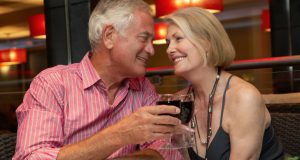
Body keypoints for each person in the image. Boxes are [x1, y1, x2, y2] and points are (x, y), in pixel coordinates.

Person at [13, 0, 192, 159]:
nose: (151, 50)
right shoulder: (52, 84)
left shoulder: (143, 89)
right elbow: (31, 156)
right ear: (109, 36)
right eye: (143, 39)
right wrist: (119, 135)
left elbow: (167, 151)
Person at [164, 7, 284, 160]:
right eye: (168, 42)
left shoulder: (244, 97)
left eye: (178, 38)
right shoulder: (181, 100)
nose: (169, 49)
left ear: (206, 43)